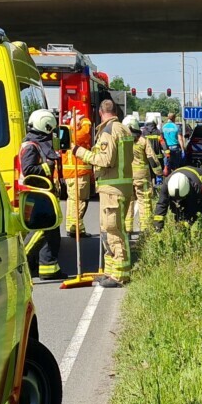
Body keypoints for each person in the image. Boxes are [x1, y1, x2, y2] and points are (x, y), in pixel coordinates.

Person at [74, 99, 134, 287]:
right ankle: (110, 271)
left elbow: (106, 160)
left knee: (114, 230)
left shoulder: (108, 131)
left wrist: (80, 152)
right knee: (107, 230)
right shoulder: (124, 129)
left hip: (112, 189)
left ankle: (120, 275)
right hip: (119, 187)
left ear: (100, 112)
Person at [19, 109, 65, 280]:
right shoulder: (31, 146)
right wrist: (48, 167)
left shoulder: (37, 143)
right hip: (36, 195)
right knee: (41, 230)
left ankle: (48, 268)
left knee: (51, 232)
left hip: (43, 194)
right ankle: (19, 260)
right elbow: (28, 169)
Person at [153, 166, 202, 232]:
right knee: (177, 210)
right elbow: (161, 204)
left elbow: (193, 209)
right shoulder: (166, 185)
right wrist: (158, 227)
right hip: (186, 176)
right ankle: (182, 230)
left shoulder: (196, 187)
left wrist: (187, 223)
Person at [125, 115, 161, 232]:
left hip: (126, 176)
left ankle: (127, 228)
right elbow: (152, 158)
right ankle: (145, 228)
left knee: (128, 201)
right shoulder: (143, 141)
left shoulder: (122, 142)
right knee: (144, 201)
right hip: (142, 176)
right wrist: (159, 172)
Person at [61, 107, 93, 237]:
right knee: (80, 201)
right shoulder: (76, 135)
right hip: (78, 173)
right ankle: (76, 229)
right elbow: (86, 131)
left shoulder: (65, 132)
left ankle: (71, 227)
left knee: (72, 201)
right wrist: (83, 120)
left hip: (70, 174)